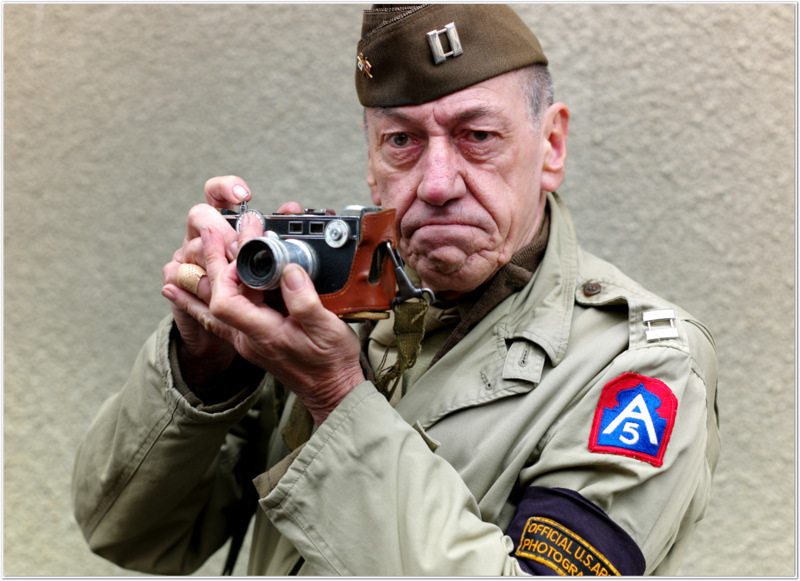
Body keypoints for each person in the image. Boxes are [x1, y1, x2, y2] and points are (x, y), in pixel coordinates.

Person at [72, 4, 720, 576]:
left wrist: (335, 396)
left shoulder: (639, 365)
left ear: (551, 145)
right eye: (402, 141)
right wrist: (206, 367)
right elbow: (129, 533)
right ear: (371, 159)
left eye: (477, 137)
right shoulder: (329, 314)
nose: (436, 183)